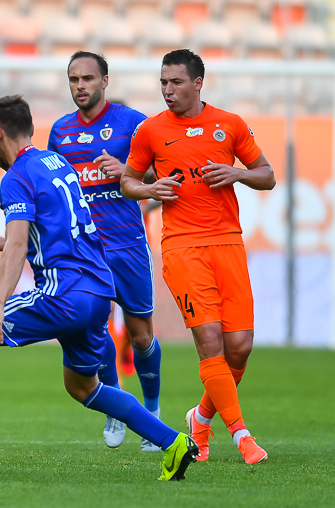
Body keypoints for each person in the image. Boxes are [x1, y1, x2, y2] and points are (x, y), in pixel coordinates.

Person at [0, 95, 198, 481]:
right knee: (83, 388)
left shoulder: (16, 177)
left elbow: (19, 243)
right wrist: (11, 239)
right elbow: (60, 226)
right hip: (97, 292)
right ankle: (173, 441)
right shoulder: (56, 163)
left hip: (62, 296)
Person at [120, 49, 276, 464]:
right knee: (210, 342)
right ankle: (242, 436)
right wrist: (150, 189)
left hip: (228, 243)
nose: (168, 90)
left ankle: (200, 418)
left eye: (176, 82)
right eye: (163, 83)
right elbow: (128, 181)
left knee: (239, 347)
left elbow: (268, 176)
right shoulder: (151, 131)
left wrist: (238, 173)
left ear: (198, 83)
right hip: (182, 247)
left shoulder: (230, 124)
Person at [48, 51, 163, 452]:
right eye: (74, 79)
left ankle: (152, 412)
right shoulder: (60, 131)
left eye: (88, 78)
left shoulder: (132, 122)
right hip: (84, 249)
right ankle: (116, 405)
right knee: (93, 330)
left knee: (140, 335)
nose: (80, 86)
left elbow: (164, 173)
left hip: (127, 243)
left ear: (105, 81)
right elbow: (53, 189)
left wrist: (128, 171)